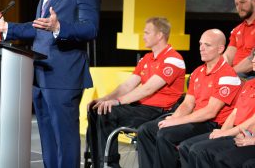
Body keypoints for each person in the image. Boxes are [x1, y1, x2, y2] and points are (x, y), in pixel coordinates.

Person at [0, 0, 101, 168]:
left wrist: (59, 27)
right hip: (40, 74)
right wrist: (6, 28)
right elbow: (37, 28)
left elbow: (90, 28)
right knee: (47, 139)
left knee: (64, 140)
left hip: (64, 76)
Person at [86, 17, 186, 167]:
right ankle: (98, 163)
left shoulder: (173, 59)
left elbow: (148, 88)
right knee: (97, 109)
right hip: (141, 107)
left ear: (159, 35)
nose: (143, 36)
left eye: (146, 32)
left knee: (108, 112)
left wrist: (117, 101)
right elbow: (127, 86)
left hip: (158, 111)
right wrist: (104, 98)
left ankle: (110, 164)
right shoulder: (146, 59)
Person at [137, 29, 242, 168]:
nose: (201, 48)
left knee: (165, 135)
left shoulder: (228, 75)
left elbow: (210, 112)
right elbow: (188, 103)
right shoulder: (197, 72)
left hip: (213, 124)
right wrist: (173, 118)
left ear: (220, 49)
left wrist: (177, 121)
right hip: (196, 119)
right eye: (200, 44)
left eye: (207, 45)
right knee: (146, 129)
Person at [178, 52, 255, 168]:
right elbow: (234, 113)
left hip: (245, 134)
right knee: (188, 147)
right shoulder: (249, 84)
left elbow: (252, 122)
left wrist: (225, 133)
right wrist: (222, 134)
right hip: (238, 132)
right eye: (253, 57)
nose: (253, 60)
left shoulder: (227, 74)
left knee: (215, 156)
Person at [223, 0, 255, 78]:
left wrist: (229, 74)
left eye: (242, 2)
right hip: (235, 74)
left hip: (250, 74)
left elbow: (252, 60)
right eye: (236, 4)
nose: (239, 8)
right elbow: (228, 56)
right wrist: (219, 70)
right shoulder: (237, 30)